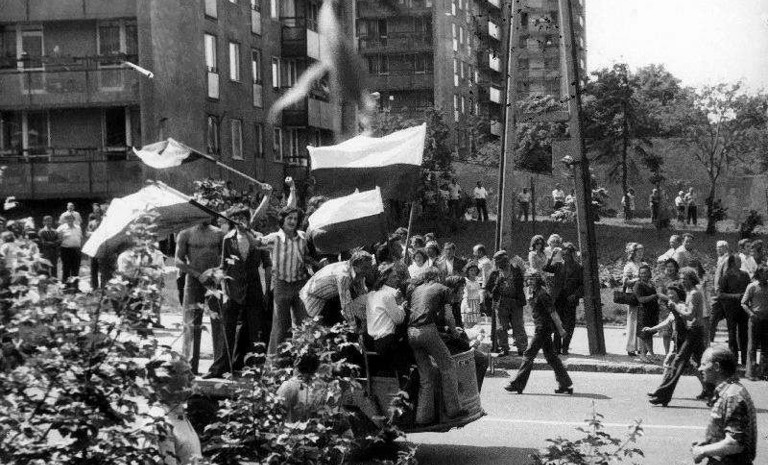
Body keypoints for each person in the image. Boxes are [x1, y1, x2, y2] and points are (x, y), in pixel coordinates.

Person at [206, 208, 272, 378]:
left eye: (242, 218)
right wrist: (219, 289)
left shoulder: (258, 237)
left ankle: (256, 368)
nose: (239, 222)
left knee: (255, 330)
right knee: (227, 329)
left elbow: (267, 265)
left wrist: (267, 291)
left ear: (248, 220)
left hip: (254, 290)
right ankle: (220, 368)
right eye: (236, 218)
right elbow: (224, 266)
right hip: (233, 290)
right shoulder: (228, 239)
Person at [406, 268, 467, 425]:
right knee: (448, 366)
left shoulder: (416, 289)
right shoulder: (443, 289)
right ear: (437, 277)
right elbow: (449, 316)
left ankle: (423, 417)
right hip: (427, 330)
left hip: (411, 332)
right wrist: (454, 332)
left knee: (426, 376)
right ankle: (453, 410)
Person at [648, 267, 713, 407]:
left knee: (678, 361)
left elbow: (690, 315)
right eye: (682, 278)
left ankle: (662, 395)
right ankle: (714, 394)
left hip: (695, 332)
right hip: (693, 331)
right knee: (701, 364)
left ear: (691, 279)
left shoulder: (694, 293)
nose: (682, 281)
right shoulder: (689, 293)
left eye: (685, 279)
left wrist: (675, 307)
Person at [504, 271, 573, 395]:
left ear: (538, 280)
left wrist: (561, 329)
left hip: (543, 328)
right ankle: (565, 384)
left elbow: (553, 313)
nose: (530, 281)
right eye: (529, 279)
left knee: (528, 354)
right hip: (542, 327)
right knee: (551, 357)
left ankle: (517, 384)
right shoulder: (535, 293)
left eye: (533, 279)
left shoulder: (542, 294)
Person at [257, 206, 314, 355]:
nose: (293, 221)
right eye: (289, 218)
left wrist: (314, 264)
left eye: (295, 218)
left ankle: (303, 362)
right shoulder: (274, 238)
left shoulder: (302, 237)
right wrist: (246, 231)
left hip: (300, 285)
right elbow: (256, 243)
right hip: (281, 285)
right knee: (280, 327)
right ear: (282, 220)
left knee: (305, 324)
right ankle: (275, 365)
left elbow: (306, 257)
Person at [175, 218, 225, 375]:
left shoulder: (219, 233)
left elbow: (225, 259)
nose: (205, 216)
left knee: (218, 322)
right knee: (191, 322)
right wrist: (197, 275)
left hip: (213, 281)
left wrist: (215, 272)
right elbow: (178, 261)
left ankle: (218, 366)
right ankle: (190, 366)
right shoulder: (186, 233)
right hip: (193, 280)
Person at [691, 346, 757, 465]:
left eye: (704, 364)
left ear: (717, 367)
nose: (700, 369)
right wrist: (710, 442)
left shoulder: (732, 396)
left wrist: (703, 451)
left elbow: (735, 444)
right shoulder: (728, 391)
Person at [145, 354, 202, 465]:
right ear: (166, 379)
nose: (192, 376)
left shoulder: (176, 413)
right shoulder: (160, 424)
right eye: (186, 372)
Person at [299, 250, 373, 330]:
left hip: (326, 299)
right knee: (318, 331)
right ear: (356, 267)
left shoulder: (357, 271)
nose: (369, 270)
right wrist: (354, 326)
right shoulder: (344, 276)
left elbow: (362, 294)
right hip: (311, 301)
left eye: (370, 267)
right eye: (366, 268)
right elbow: (346, 304)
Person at [365, 263, 409, 376]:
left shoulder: (370, 295)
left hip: (375, 342)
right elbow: (398, 319)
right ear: (385, 279)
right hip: (389, 342)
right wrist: (401, 306)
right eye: (394, 276)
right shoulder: (388, 295)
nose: (397, 279)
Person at [543, 243, 583, 356]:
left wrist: (575, 295)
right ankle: (557, 347)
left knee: (569, 324)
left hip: (570, 298)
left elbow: (582, 285)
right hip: (558, 298)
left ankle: (565, 347)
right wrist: (551, 257)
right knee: (557, 322)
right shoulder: (558, 265)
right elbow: (545, 268)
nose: (565, 257)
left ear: (572, 255)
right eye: (563, 255)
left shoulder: (578, 267)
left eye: (567, 255)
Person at [486, 250, 527, 356]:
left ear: (506, 260)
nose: (498, 264)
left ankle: (522, 348)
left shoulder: (516, 270)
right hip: (501, 302)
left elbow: (522, 283)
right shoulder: (494, 273)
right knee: (501, 327)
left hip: (516, 301)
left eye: (500, 261)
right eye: (497, 262)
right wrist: (493, 298)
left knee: (518, 326)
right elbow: (488, 288)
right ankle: (504, 348)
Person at [277, 350, 329, 423]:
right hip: (311, 427)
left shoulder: (289, 385)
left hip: (290, 427)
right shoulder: (321, 388)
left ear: (297, 363)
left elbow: (278, 410)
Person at [718, 255, 750, 366]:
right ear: (732, 263)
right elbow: (721, 294)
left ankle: (745, 360)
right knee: (732, 334)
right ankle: (733, 359)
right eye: (738, 261)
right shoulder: (726, 276)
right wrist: (735, 296)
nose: (740, 262)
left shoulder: (745, 275)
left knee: (744, 334)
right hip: (731, 309)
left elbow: (750, 288)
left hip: (743, 308)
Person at [741, 265, 768, 381]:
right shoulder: (752, 286)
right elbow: (744, 303)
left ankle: (763, 372)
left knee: (766, 347)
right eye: (766, 272)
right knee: (752, 346)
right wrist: (751, 314)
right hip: (755, 319)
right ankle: (751, 373)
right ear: (760, 273)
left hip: (766, 320)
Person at [633, 264, 660, 361]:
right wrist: (654, 296)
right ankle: (642, 355)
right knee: (643, 334)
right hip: (643, 312)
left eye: (645, 273)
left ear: (649, 273)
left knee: (650, 333)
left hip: (652, 312)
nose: (643, 275)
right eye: (641, 273)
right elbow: (640, 299)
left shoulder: (651, 283)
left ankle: (652, 354)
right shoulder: (638, 284)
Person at [623, 242, 645, 356]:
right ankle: (631, 347)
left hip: (643, 295)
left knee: (642, 320)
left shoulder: (644, 264)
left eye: (642, 251)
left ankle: (641, 347)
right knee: (632, 320)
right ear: (633, 253)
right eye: (638, 251)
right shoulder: (629, 266)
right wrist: (638, 279)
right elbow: (626, 282)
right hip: (633, 294)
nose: (641, 254)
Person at [654, 258, 681, 355]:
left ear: (676, 267)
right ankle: (666, 354)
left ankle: (677, 352)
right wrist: (670, 299)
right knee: (666, 332)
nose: (669, 268)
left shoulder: (680, 278)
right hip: (664, 308)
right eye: (667, 266)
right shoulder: (661, 278)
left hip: (678, 307)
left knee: (677, 331)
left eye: (671, 266)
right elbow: (659, 293)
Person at [710, 240, 732, 343]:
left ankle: (709, 338)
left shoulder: (727, 259)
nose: (717, 249)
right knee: (727, 316)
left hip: (722, 292)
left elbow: (725, 276)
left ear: (726, 248)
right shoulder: (721, 258)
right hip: (720, 292)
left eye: (720, 247)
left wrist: (720, 290)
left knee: (714, 316)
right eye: (717, 247)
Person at [57, 213, 83, 291]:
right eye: (68, 218)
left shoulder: (78, 227)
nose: (70, 220)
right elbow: (57, 238)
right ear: (66, 220)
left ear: (74, 219)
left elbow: (80, 238)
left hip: (77, 250)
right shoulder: (61, 228)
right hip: (66, 250)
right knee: (66, 269)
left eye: (71, 218)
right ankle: (66, 286)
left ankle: (75, 287)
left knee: (76, 269)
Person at [460, 261, 482, 327]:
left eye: (475, 270)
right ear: (467, 271)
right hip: (468, 305)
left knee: (476, 327)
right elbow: (465, 296)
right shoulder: (465, 281)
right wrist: (467, 308)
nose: (473, 272)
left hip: (476, 306)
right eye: (471, 270)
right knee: (468, 327)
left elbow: (479, 294)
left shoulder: (477, 282)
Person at [85, 213, 101, 290]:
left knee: (102, 268)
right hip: (93, 247)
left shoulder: (104, 222)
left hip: (102, 247)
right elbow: (87, 233)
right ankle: (94, 286)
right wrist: (94, 234)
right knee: (93, 267)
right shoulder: (91, 223)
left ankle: (103, 286)